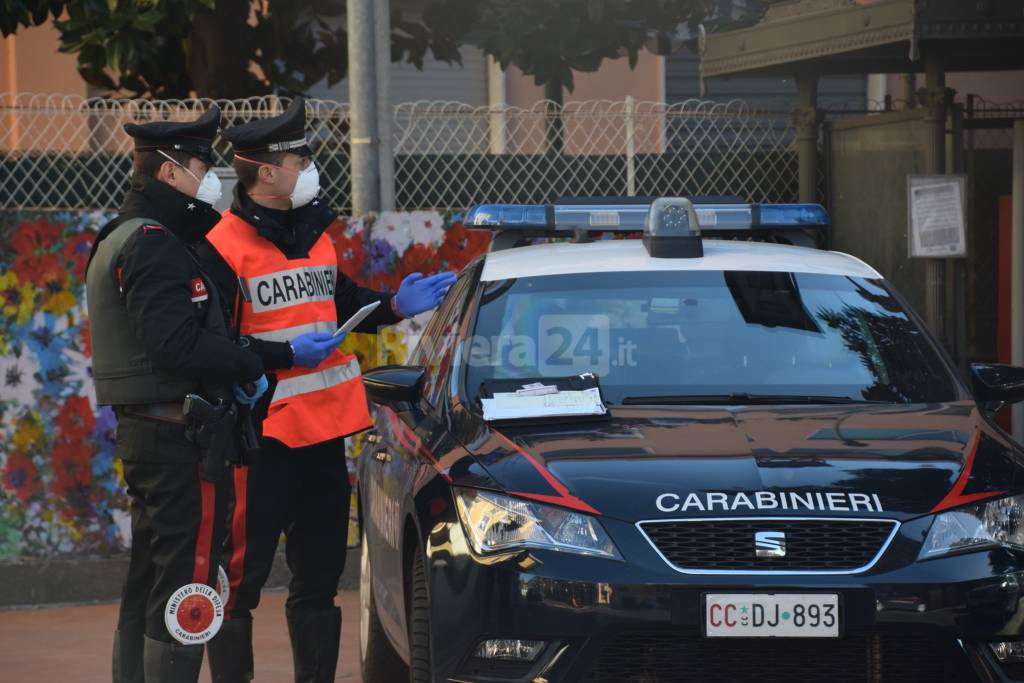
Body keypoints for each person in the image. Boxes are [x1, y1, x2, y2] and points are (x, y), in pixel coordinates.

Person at [199, 97, 456, 683]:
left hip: (323, 435)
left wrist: (392, 306)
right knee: (239, 586)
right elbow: (210, 346)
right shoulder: (223, 245)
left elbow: (340, 303)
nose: (310, 168)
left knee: (318, 584)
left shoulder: (316, 234)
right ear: (266, 171)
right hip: (258, 441)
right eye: (300, 158)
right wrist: (281, 356)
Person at [86, 107, 270, 683]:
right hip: (177, 438)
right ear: (169, 174)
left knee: (151, 579)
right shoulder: (152, 243)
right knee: (188, 587)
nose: (208, 179)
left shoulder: (123, 236)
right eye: (199, 167)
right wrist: (248, 360)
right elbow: (176, 347)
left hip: (154, 433)